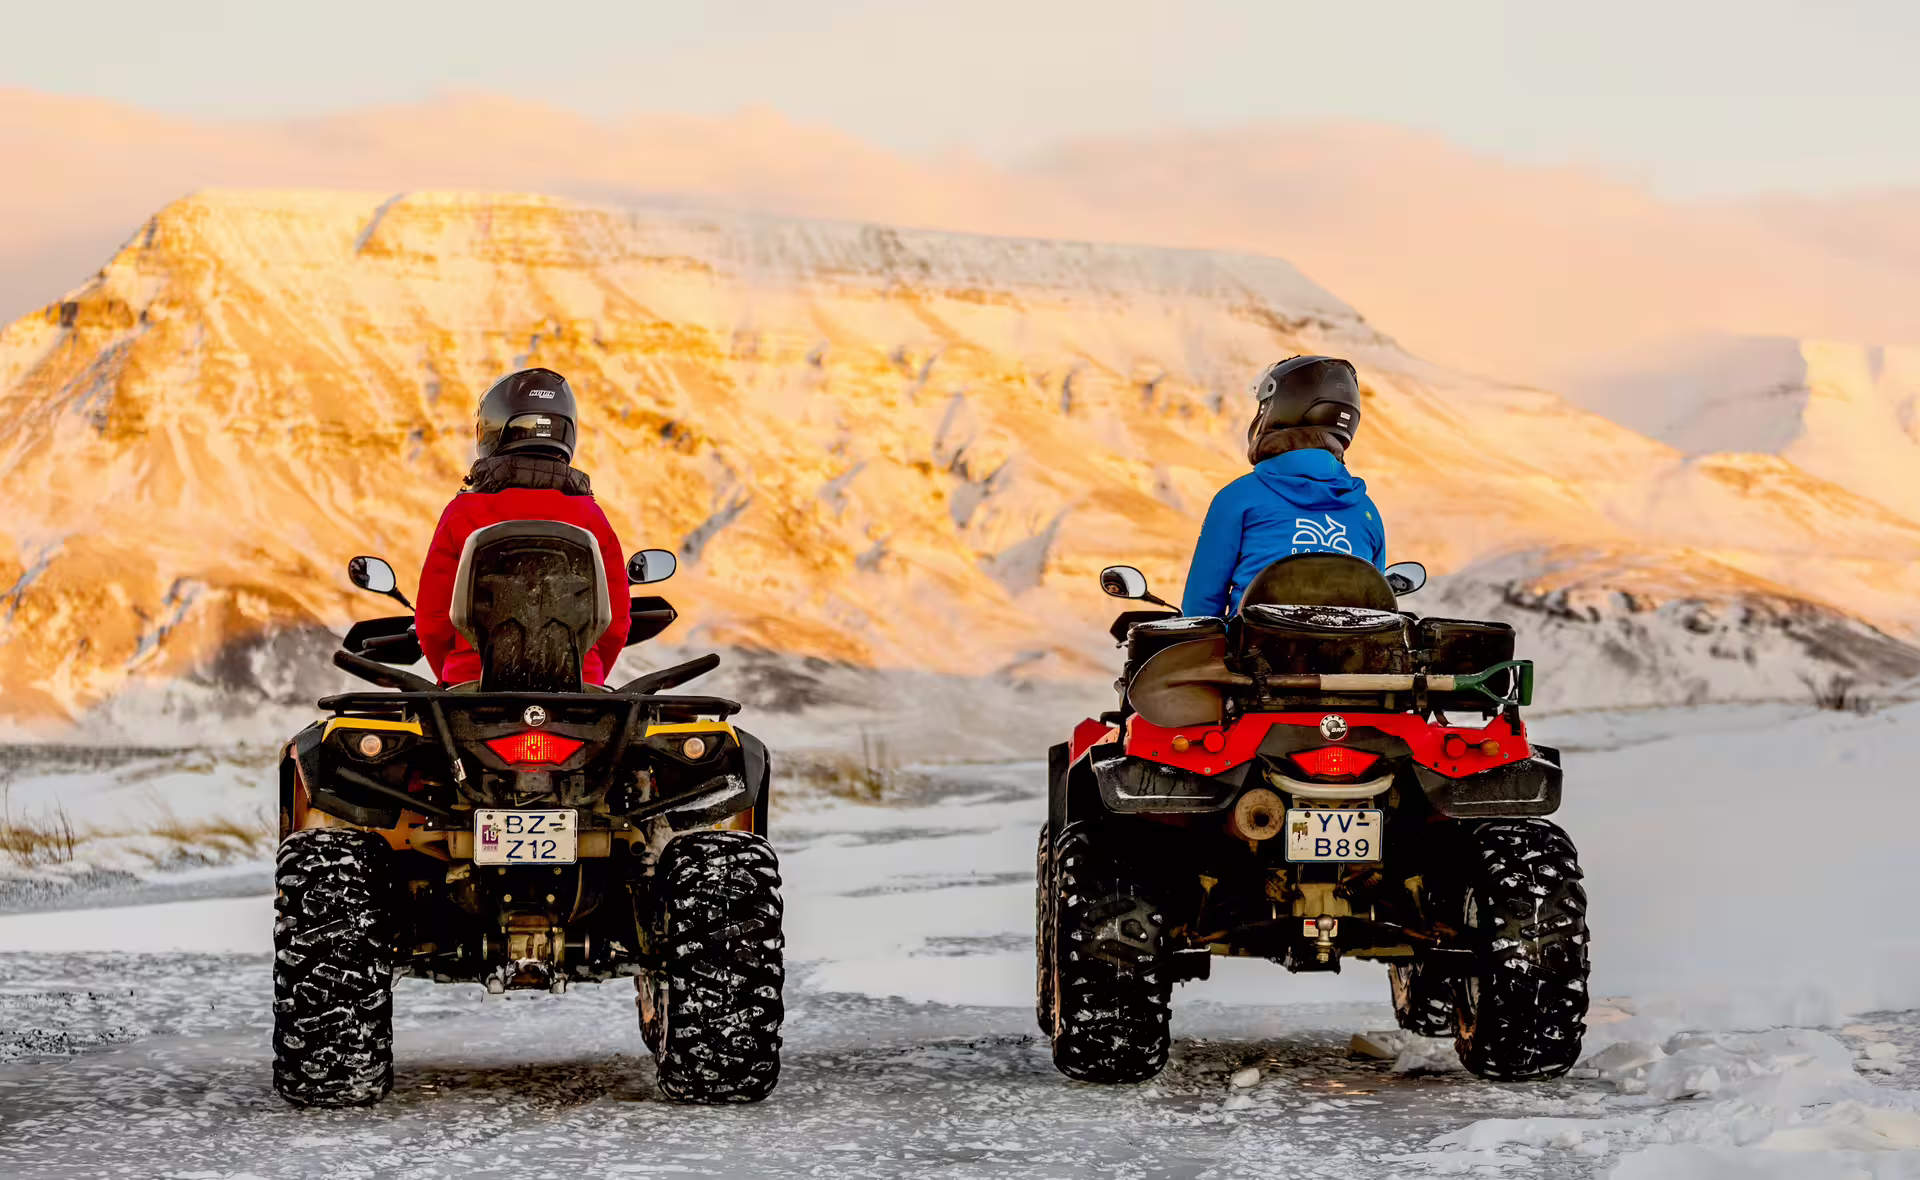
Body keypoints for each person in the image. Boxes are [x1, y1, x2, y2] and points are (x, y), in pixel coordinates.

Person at [415, 368, 630, 685]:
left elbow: (433, 621)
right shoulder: (591, 517)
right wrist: (587, 680)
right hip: (579, 697)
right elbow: (615, 623)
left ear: (493, 429)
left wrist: (457, 677)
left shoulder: (463, 513)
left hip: (474, 690)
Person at [1180, 355, 1385, 617]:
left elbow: (1201, 608)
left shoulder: (1238, 498)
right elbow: (1375, 609)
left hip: (1252, 656)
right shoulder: (1366, 512)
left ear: (1283, 406)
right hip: (1349, 657)